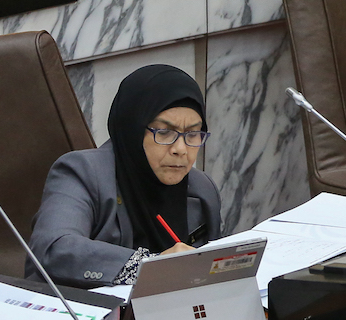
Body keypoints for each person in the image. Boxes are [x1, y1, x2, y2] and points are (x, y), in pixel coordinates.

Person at [27, 65, 222, 287]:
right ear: (133, 130)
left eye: (193, 134)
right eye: (165, 132)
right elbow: (56, 249)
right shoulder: (83, 172)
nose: (181, 149)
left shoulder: (201, 189)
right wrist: (151, 267)